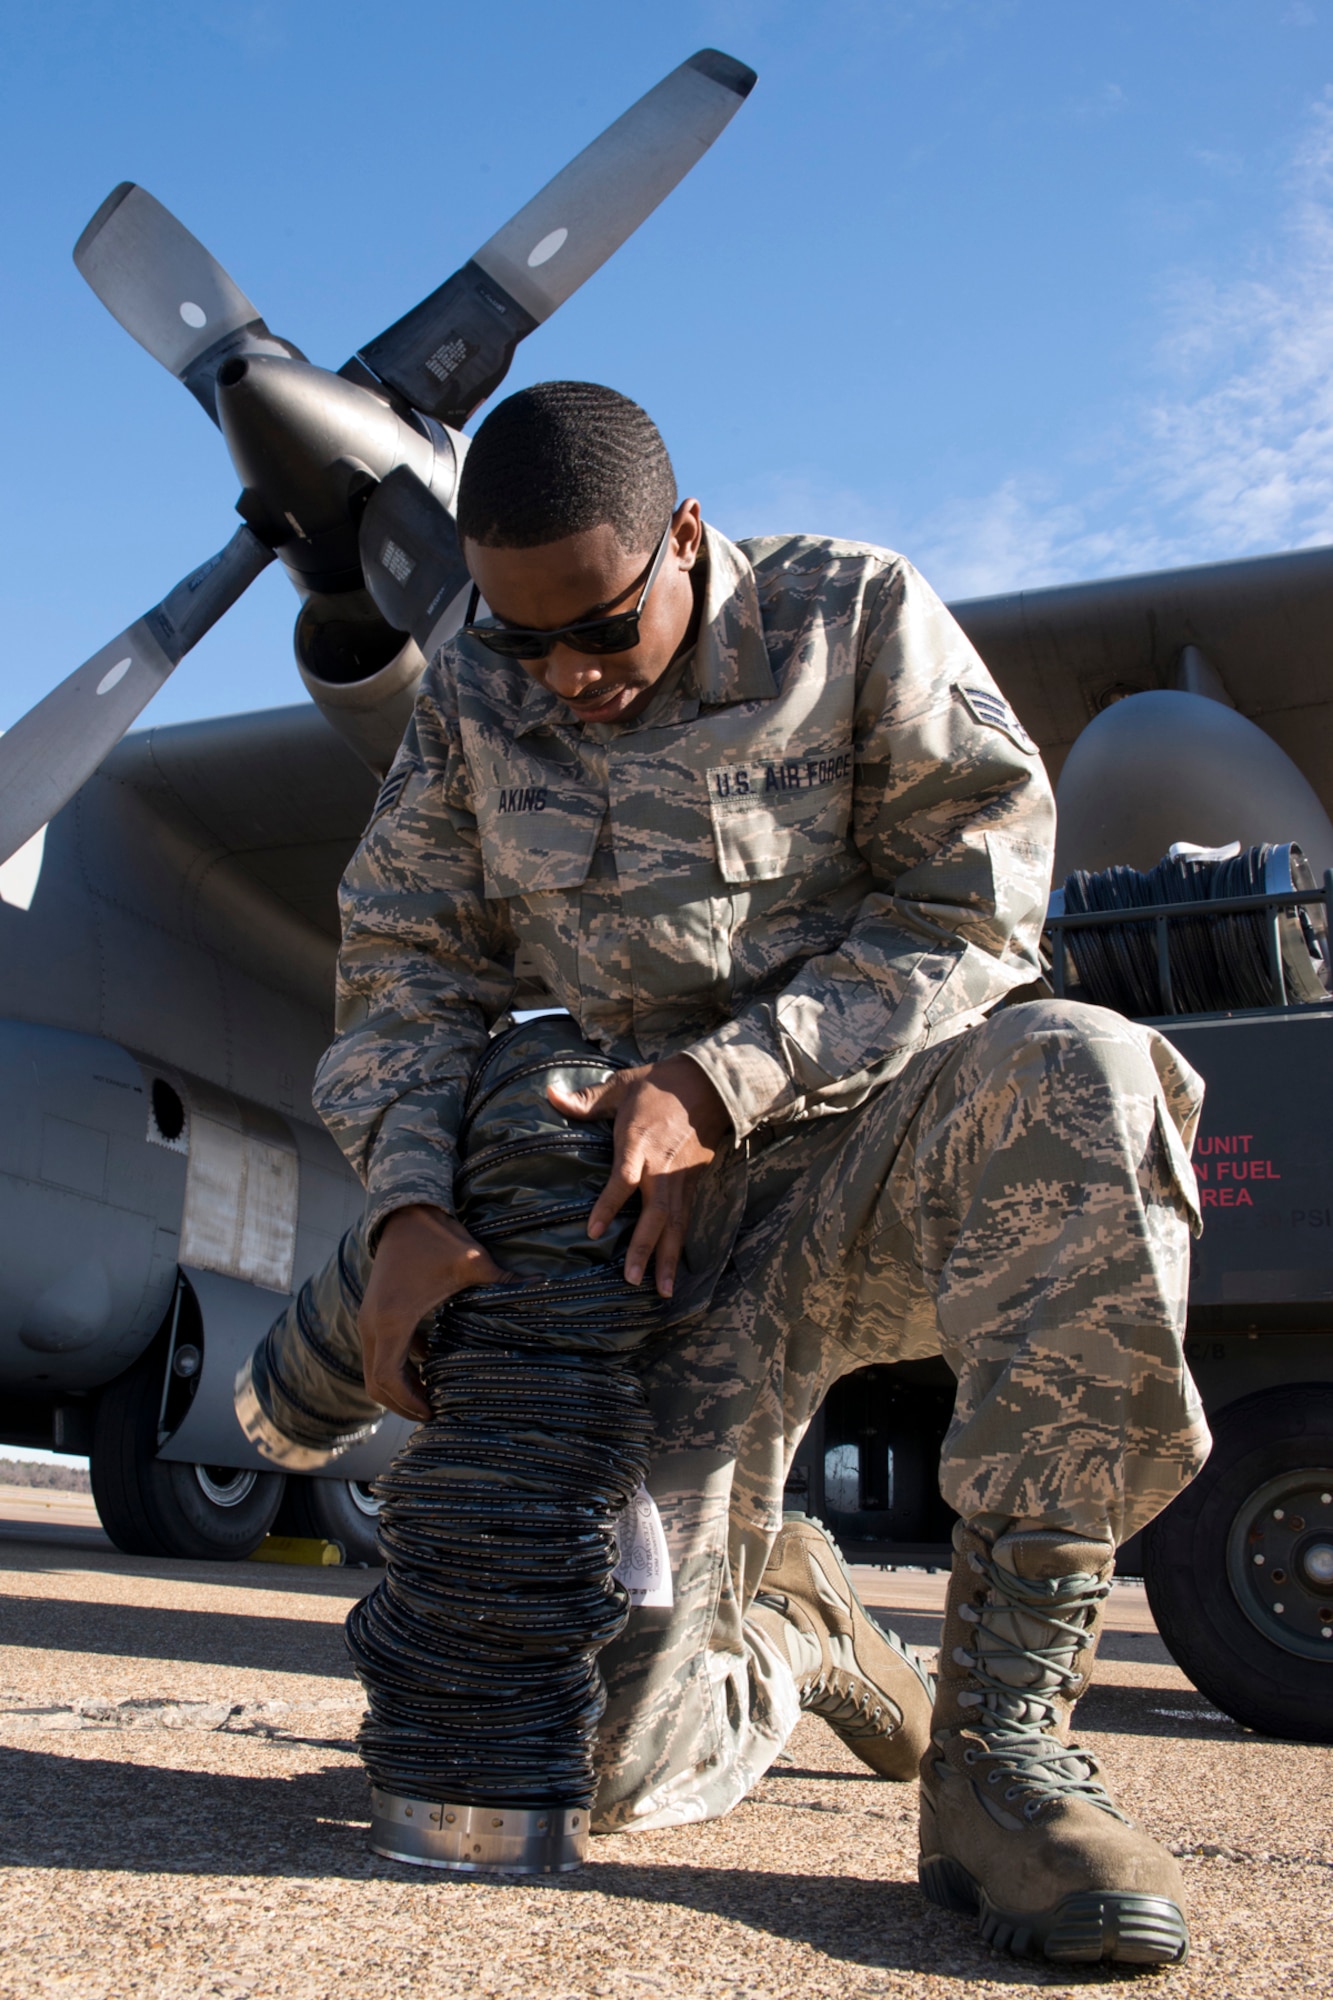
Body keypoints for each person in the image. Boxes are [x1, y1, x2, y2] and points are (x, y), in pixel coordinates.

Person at [311, 381, 1209, 1968]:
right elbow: (406, 970)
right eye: (520, 643)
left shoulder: (850, 617)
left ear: (683, 539)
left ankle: (1000, 1754)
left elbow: (973, 915)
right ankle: (793, 1626)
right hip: (643, 1223)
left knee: (1080, 1068)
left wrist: (724, 1082)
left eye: (597, 627)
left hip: (877, 1160)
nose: (563, 679)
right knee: (589, 1764)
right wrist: (405, 1205)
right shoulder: (475, 688)